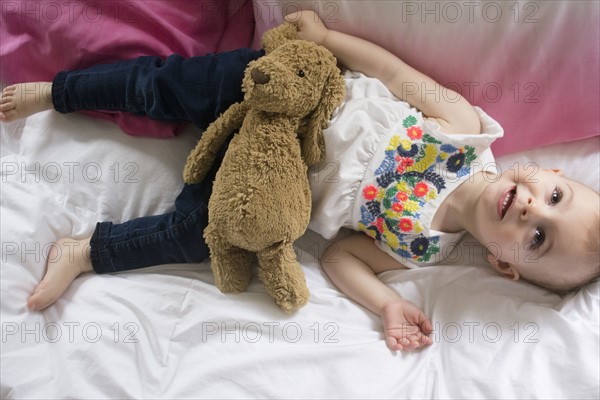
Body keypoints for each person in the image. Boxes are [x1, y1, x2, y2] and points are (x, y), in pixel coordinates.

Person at [2, 11, 599, 352]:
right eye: (554, 198)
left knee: (200, 235)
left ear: (502, 266)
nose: (531, 212)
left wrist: (388, 304)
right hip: (285, 87)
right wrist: (327, 42)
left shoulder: (421, 246)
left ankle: (87, 251)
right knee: (164, 87)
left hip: (262, 172)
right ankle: (57, 94)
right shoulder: (465, 132)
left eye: (539, 238)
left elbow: (340, 256)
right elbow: (391, 70)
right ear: (549, 172)